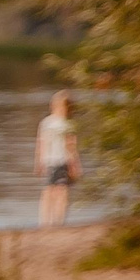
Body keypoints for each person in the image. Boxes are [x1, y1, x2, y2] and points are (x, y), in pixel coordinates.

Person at [37, 91, 81, 227]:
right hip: (56, 161)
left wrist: (39, 161)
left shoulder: (48, 122)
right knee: (54, 191)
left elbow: (70, 146)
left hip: (59, 161)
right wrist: (39, 161)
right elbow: (41, 143)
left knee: (57, 191)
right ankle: (51, 222)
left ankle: (53, 222)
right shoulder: (63, 124)